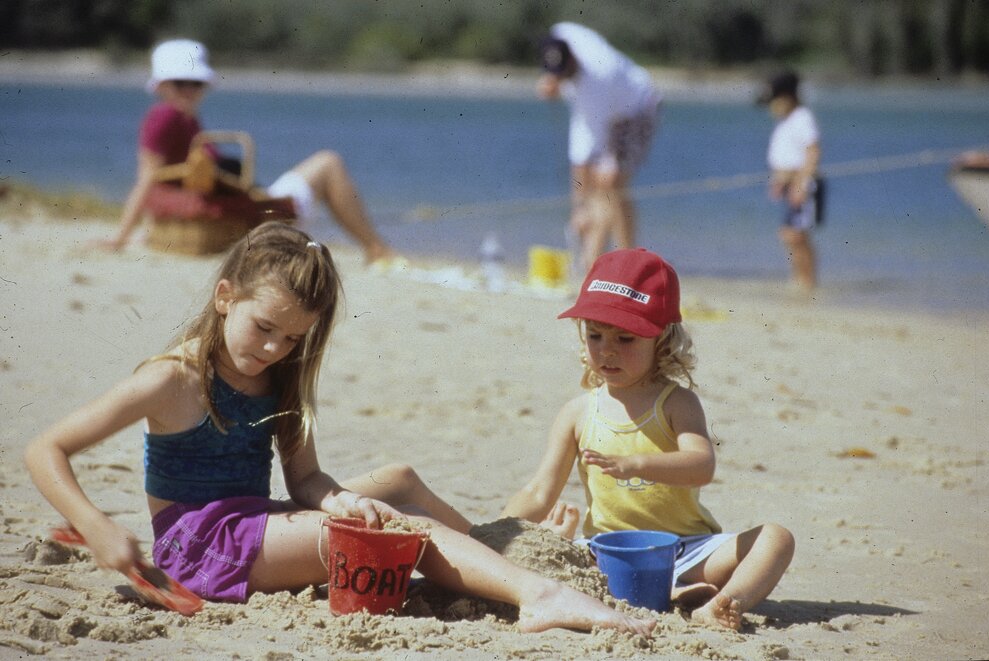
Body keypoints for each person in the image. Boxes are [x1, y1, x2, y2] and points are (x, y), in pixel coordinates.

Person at [24, 221, 654, 636]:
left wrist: (343, 498)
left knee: (396, 481)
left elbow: (305, 480)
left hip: (254, 521)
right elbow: (45, 449)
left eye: (293, 337)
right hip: (200, 548)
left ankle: (486, 556)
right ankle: (535, 594)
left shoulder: (280, 379)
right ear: (224, 297)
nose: (273, 348)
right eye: (263, 327)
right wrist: (98, 525)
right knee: (405, 530)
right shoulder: (172, 380)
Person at [503, 248, 794, 631]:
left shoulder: (676, 403)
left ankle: (724, 602)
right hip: (607, 552)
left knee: (777, 537)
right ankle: (674, 593)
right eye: (594, 335)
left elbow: (701, 465)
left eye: (625, 338)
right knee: (547, 553)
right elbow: (541, 491)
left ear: (661, 339)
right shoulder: (578, 413)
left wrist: (637, 464)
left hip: (686, 548)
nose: (607, 350)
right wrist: (499, 532)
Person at [100, 39, 394, 264]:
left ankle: (375, 248)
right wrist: (120, 237)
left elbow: (162, 179)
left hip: (232, 207)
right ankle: (376, 250)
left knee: (325, 164)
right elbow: (148, 177)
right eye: (181, 83)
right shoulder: (166, 116)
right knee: (329, 163)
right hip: (242, 215)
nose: (191, 90)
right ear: (162, 85)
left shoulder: (184, 119)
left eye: (197, 83)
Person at [536, 23, 662, 273]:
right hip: (605, 110)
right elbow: (581, 158)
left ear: (574, 58)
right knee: (594, 188)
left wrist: (581, 206)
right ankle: (592, 264)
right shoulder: (561, 33)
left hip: (637, 109)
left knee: (610, 182)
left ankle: (625, 263)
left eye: (562, 73)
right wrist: (580, 206)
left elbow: (588, 148)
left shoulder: (597, 78)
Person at [757, 70, 823, 293]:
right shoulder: (785, 121)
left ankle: (807, 281)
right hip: (788, 185)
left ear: (788, 97)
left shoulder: (802, 117)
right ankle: (799, 279)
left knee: (794, 234)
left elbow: (812, 152)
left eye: (775, 100)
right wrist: (778, 181)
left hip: (802, 186)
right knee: (791, 235)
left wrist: (801, 185)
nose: (771, 107)